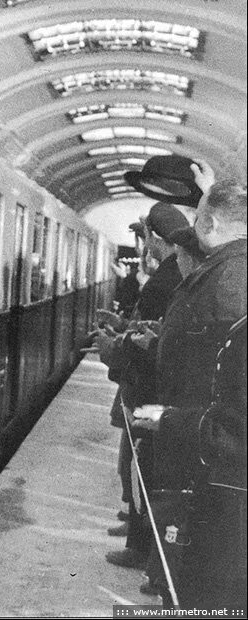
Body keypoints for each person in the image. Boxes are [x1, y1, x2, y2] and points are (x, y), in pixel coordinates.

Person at [131, 179, 247, 609]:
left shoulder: (229, 278)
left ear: (210, 221)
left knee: (197, 590)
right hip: (202, 454)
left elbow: (220, 380)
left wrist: (170, 421)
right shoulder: (226, 271)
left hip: (204, 468)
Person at [93, 201, 188, 572]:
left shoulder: (163, 280)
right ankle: (137, 533)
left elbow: (145, 340)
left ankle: (139, 546)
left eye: (145, 235)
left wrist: (114, 347)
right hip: (152, 390)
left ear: (155, 238)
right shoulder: (171, 277)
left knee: (138, 468)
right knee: (135, 468)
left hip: (145, 390)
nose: (142, 243)